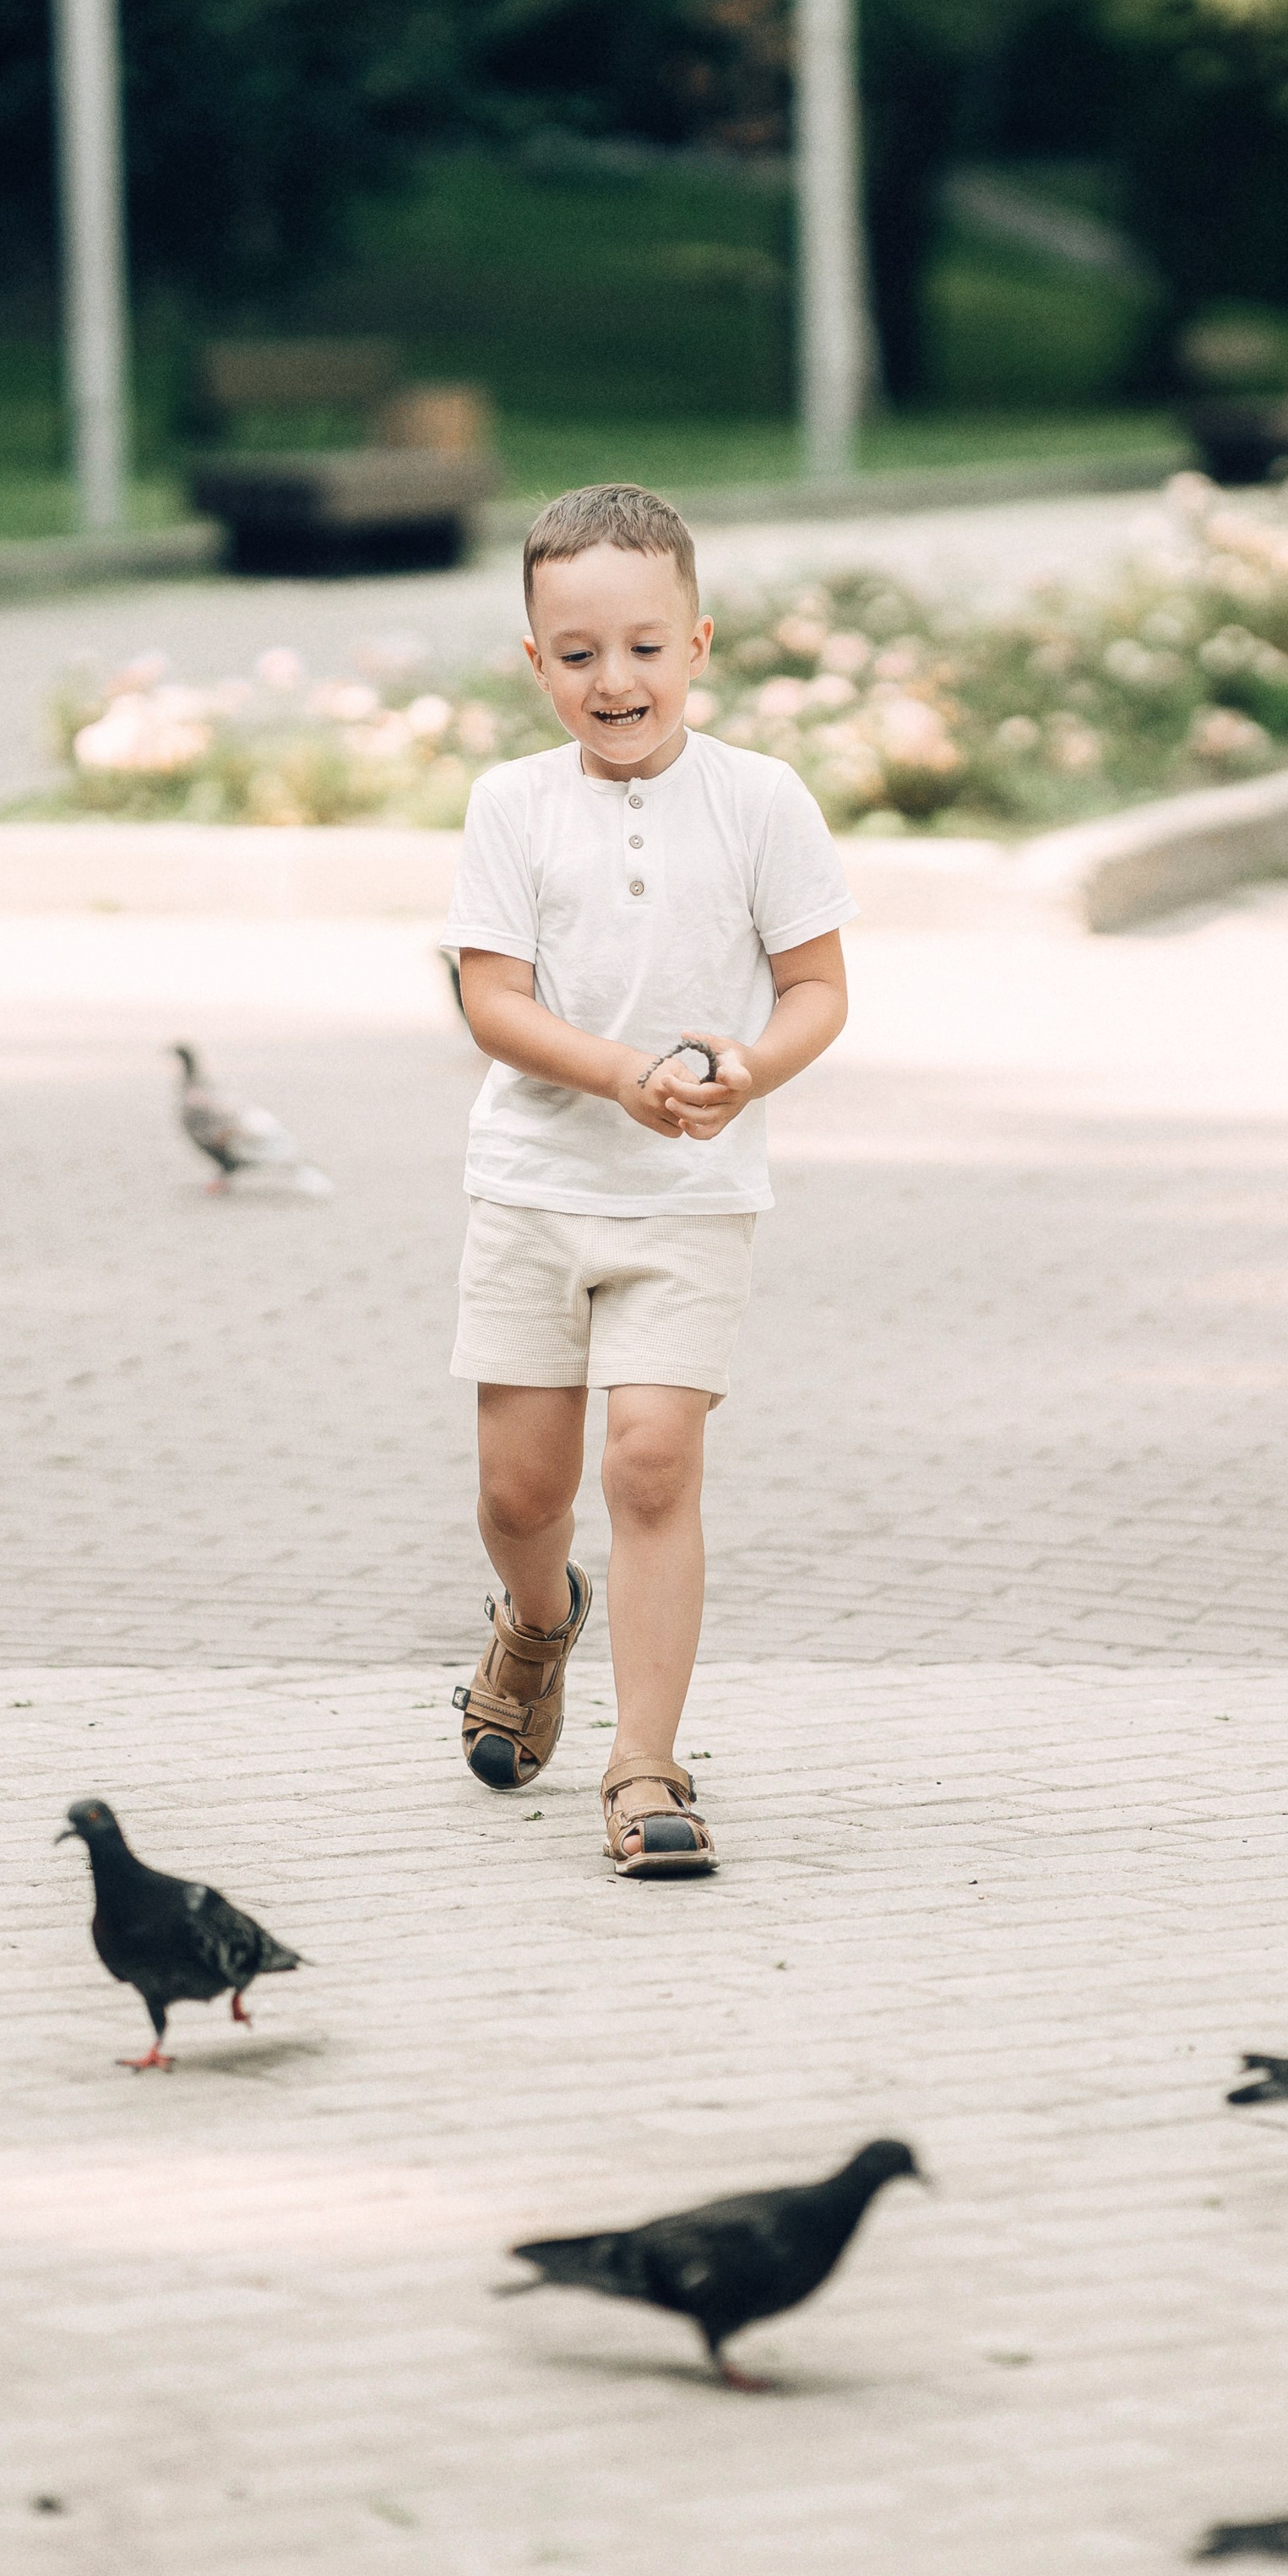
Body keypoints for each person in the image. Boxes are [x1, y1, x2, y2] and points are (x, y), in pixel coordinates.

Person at [439, 483, 853, 1877]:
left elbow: (816, 990)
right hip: (536, 1185)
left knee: (654, 1462)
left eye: (643, 647)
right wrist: (617, 1073)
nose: (613, 680)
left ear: (699, 643)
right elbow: (491, 1001)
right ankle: (537, 1619)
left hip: (691, 1197)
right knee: (519, 1494)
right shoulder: (512, 805)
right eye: (577, 654)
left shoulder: (761, 801)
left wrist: (754, 1071)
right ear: (536, 662)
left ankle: (647, 1767)